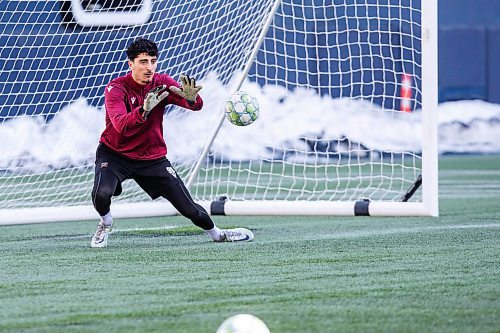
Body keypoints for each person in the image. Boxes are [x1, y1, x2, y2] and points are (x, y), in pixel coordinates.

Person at [90, 38, 253, 247]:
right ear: (131, 64)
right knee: (101, 193)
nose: (149, 67)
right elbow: (121, 125)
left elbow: (194, 105)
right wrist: (144, 110)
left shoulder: (162, 83)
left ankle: (218, 234)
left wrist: (192, 99)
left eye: (153, 61)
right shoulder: (116, 88)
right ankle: (106, 223)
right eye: (143, 62)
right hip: (114, 154)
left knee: (189, 208)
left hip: (152, 158)